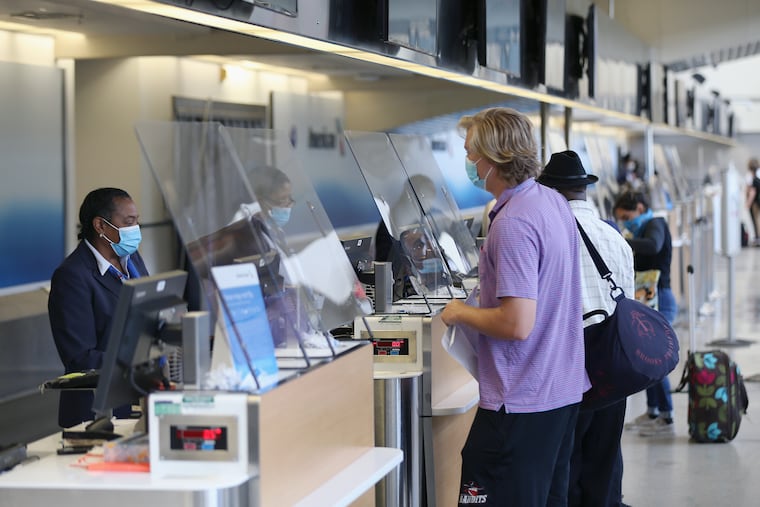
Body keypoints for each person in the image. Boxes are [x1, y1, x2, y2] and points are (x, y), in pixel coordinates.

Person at [440, 107, 589, 506]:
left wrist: (458, 313)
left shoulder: (513, 224)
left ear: (496, 157)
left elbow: (517, 322)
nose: (469, 163)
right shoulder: (552, 203)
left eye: (472, 154)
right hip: (561, 390)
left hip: (521, 398)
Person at [538, 150, 635, 507]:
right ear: (583, 190)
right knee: (606, 461)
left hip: (569, 365)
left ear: (551, 192)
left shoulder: (552, 236)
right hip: (614, 363)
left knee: (566, 464)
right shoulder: (615, 238)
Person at [48, 188, 149, 428]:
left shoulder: (132, 260)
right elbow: (80, 357)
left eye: (136, 222)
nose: (135, 229)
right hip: (96, 413)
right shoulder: (72, 276)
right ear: (101, 226)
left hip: (138, 398)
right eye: (128, 222)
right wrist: (138, 360)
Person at [614, 190, 677, 437]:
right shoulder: (641, 229)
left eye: (627, 216)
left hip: (661, 300)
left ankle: (666, 414)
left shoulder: (655, 224)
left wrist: (619, 239)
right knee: (646, 358)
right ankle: (653, 411)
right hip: (648, 301)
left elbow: (653, 246)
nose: (626, 223)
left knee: (655, 360)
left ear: (640, 208)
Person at [745, 158, 760, 245]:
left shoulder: (753, 177)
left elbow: (752, 192)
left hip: (756, 203)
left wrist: (747, 204)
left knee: (757, 220)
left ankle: (758, 239)